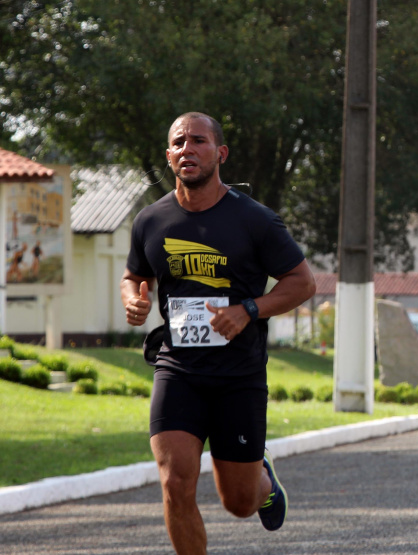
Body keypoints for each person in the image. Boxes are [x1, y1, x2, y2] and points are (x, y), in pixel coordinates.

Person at [121, 112, 316, 554]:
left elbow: (302, 283)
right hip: (178, 369)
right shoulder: (151, 220)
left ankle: (264, 481)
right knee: (175, 483)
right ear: (168, 156)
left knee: (239, 503)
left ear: (220, 153)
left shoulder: (255, 220)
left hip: (238, 374)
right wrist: (133, 298)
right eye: (178, 143)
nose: (187, 149)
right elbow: (134, 275)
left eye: (198, 141)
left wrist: (249, 309)